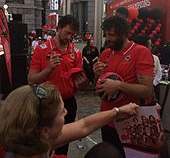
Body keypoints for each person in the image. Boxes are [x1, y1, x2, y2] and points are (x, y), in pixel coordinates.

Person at [0, 82, 139, 158]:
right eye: (61, 112)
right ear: (45, 131)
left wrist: (118, 111)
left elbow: (84, 125)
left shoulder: (27, 139)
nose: (66, 112)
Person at [93, 15, 154, 157]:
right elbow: (100, 87)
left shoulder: (141, 52)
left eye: (112, 35)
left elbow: (146, 91)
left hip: (130, 123)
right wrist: (96, 74)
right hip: (107, 119)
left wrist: (119, 86)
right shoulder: (106, 53)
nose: (107, 39)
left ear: (124, 34)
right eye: (106, 35)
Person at [28, 14, 87, 155]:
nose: (69, 37)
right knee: (42, 143)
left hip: (68, 104)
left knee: (63, 144)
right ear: (59, 29)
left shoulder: (76, 52)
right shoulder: (41, 49)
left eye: (73, 34)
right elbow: (31, 80)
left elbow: (81, 84)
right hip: (45, 103)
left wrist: (83, 83)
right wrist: (49, 69)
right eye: (67, 33)